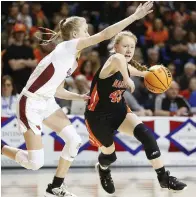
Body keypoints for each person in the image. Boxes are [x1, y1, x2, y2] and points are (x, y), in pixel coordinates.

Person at [1, 2, 154, 197]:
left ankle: (56, 185)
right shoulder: (67, 46)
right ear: (75, 35)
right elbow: (105, 35)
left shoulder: (72, 61)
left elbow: (56, 90)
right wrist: (134, 17)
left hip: (46, 101)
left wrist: (78, 96)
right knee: (35, 163)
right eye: (86, 31)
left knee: (74, 140)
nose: (89, 35)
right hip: (29, 103)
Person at [84, 31, 187, 194]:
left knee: (147, 136)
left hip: (119, 111)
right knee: (109, 157)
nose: (129, 49)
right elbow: (118, 60)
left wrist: (153, 75)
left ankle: (164, 178)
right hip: (98, 117)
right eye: (125, 46)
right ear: (116, 47)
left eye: (132, 47)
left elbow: (140, 72)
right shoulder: (111, 61)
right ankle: (103, 169)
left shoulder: (128, 67)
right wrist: (126, 78)